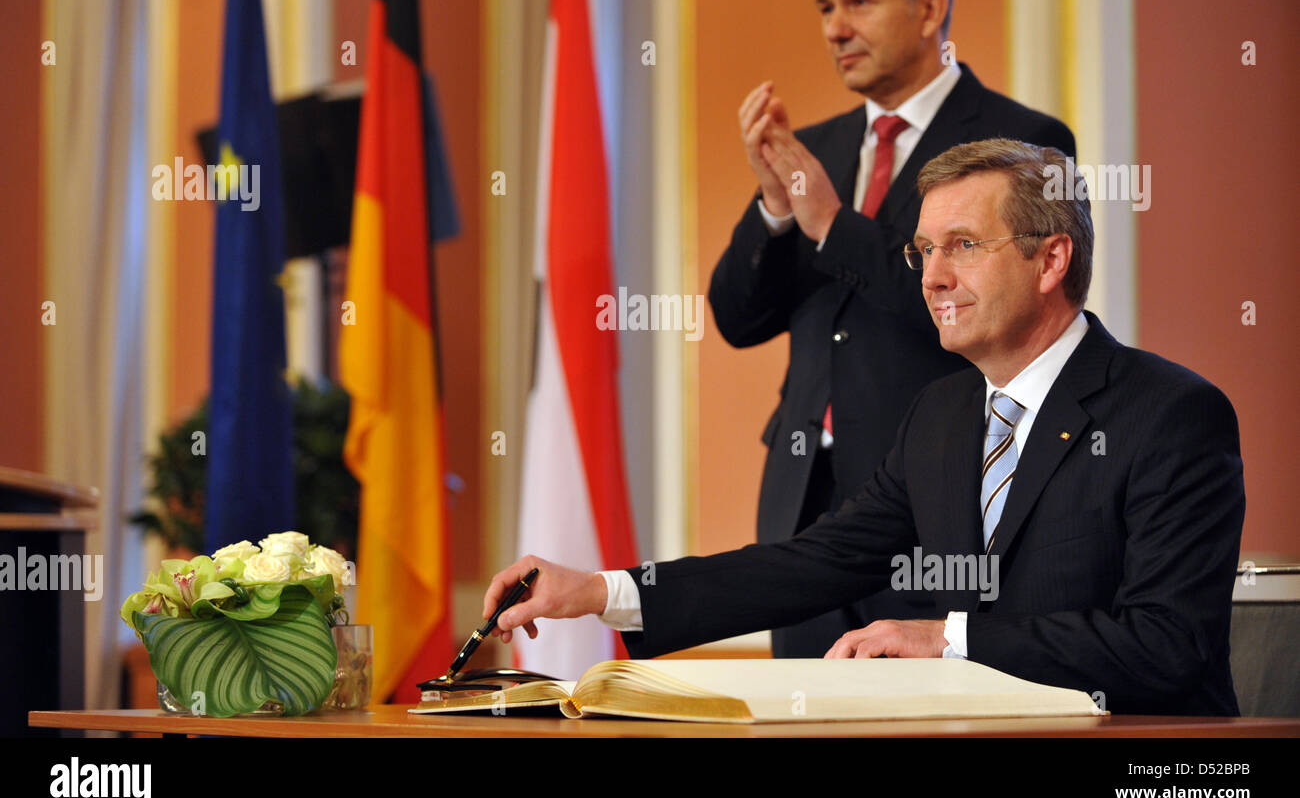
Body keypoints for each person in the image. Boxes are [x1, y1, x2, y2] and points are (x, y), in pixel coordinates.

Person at [485, 139, 1246, 716]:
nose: (933, 276)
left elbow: (1167, 644)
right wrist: (600, 589)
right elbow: (814, 562)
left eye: (963, 246)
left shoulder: (1171, 414)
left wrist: (947, 637)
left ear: (1050, 261)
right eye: (924, 250)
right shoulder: (940, 416)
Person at [711, 0, 1076, 657]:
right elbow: (738, 320)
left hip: (939, 500)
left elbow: (995, 313)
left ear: (930, 8)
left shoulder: (1024, 142)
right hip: (804, 503)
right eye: (825, 7)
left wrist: (832, 224)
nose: (836, 28)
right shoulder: (815, 150)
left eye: (858, 2)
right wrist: (776, 210)